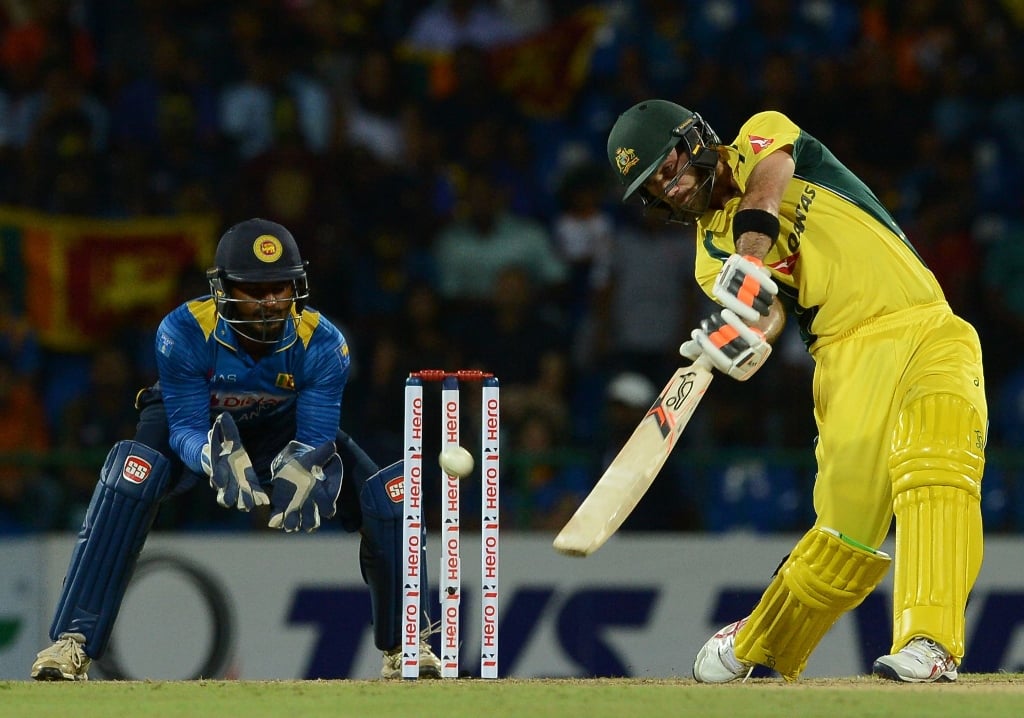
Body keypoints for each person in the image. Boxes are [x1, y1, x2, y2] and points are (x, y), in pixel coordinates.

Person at [606, 100, 987, 683]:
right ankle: (758, 638)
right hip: (846, 358)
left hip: (930, 324)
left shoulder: (763, 133)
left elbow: (764, 190)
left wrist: (751, 260)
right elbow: (770, 321)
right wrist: (734, 338)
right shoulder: (710, 263)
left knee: (939, 469)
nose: (672, 187)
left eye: (670, 165)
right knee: (844, 540)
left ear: (694, 137)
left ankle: (930, 643)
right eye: (655, 185)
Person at [30, 218, 440, 681]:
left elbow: (317, 434)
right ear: (223, 289)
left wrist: (307, 467)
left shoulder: (324, 342)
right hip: (197, 426)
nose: (270, 303)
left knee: (391, 496)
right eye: (253, 290)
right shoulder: (183, 330)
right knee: (132, 474)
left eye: (279, 288)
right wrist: (212, 456)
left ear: (297, 286)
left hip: (281, 429)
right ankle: (72, 643)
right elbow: (184, 425)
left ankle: (409, 646)